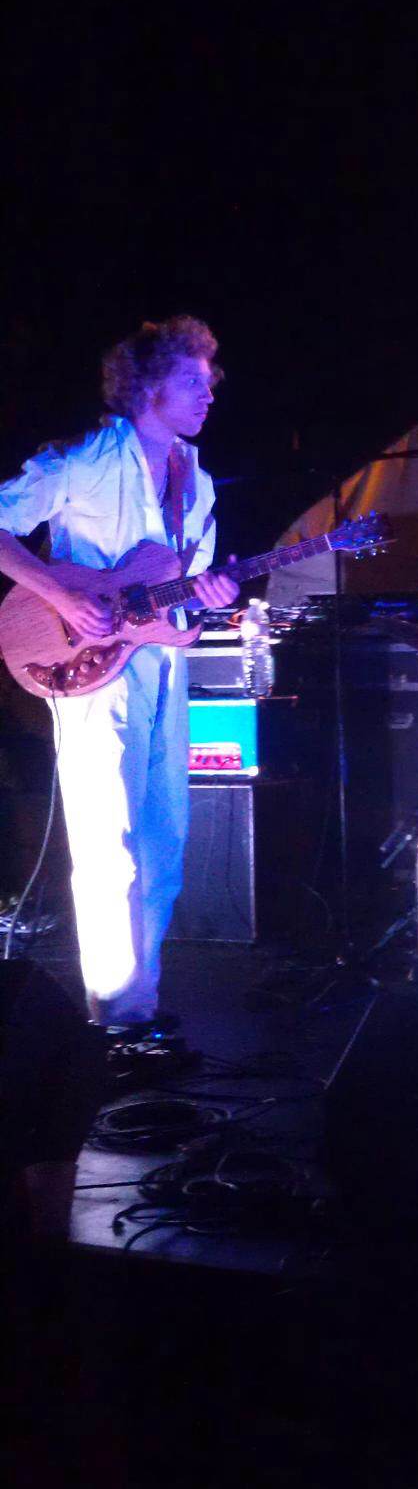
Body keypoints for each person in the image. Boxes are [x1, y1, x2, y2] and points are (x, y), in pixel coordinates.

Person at [0, 317, 238, 1029]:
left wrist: (210, 595)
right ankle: (113, 1017)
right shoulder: (86, 459)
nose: (208, 394)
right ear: (147, 386)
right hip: (86, 660)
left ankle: (141, 1007)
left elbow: (182, 588)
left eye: (209, 382)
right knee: (110, 845)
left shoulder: (196, 482)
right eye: (192, 381)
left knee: (165, 840)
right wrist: (60, 594)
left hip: (161, 664)